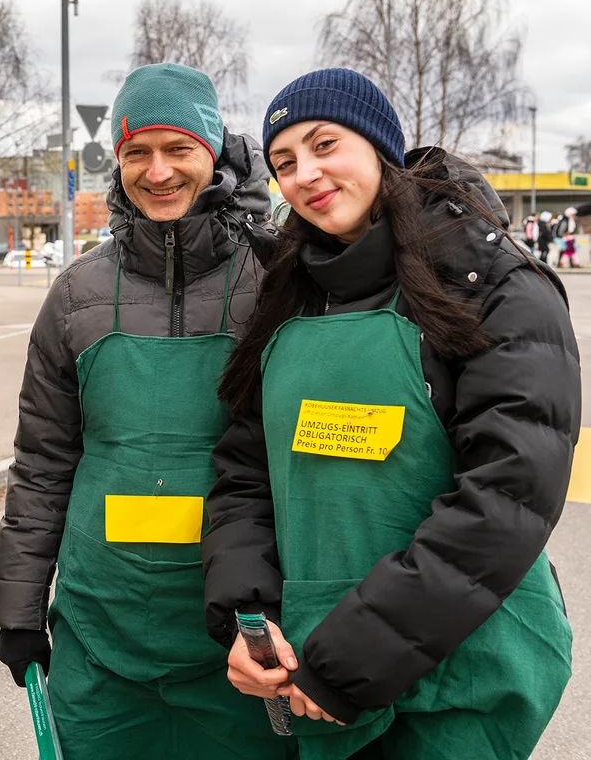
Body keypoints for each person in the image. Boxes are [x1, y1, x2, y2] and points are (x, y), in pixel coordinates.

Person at [203, 68, 576, 760]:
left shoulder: (494, 286)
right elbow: (245, 469)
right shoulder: (289, 293)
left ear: (379, 146)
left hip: (460, 673)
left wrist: (358, 656)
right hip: (315, 668)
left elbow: (507, 498)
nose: (305, 174)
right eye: (284, 162)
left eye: (324, 145)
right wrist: (246, 615)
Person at [0, 64, 291, 759]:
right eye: (137, 152)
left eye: (178, 148)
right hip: (102, 642)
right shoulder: (76, 296)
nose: (157, 172)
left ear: (212, 152)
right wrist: (20, 606)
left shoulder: (271, 284)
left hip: (239, 644)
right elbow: (42, 462)